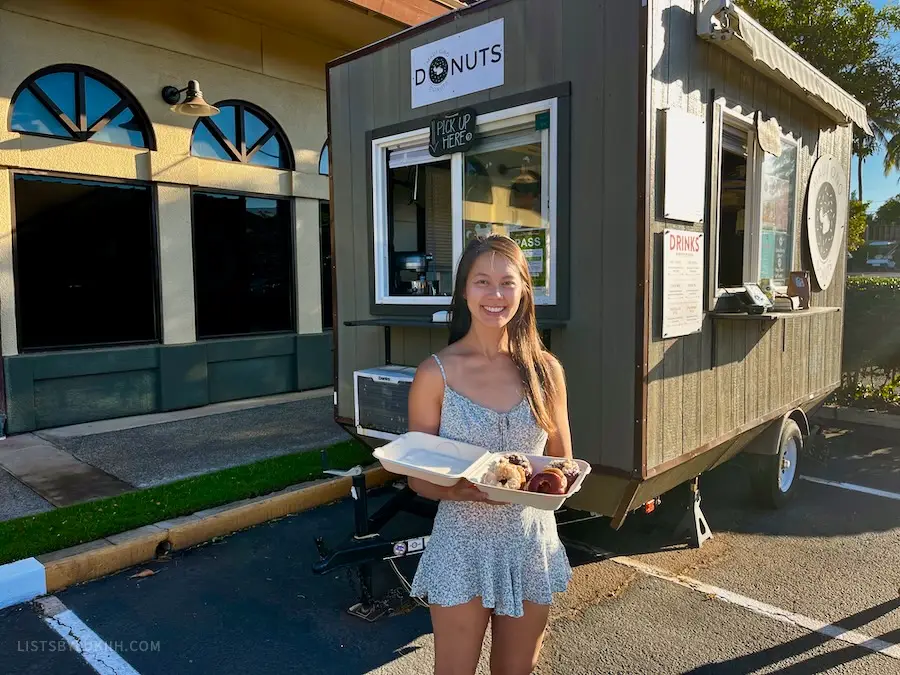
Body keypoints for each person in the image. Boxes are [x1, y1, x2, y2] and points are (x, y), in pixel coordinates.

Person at [406, 234, 574, 675]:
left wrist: (555, 483)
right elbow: (417, 478)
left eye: (507, 282)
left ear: (523, 291)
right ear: (464, 290)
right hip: (462, 542)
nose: (495, 295)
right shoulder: (434, 374)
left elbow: (562, 464)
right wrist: (464, 490)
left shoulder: (546, 371)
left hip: (530, 541)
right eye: (482, 281)